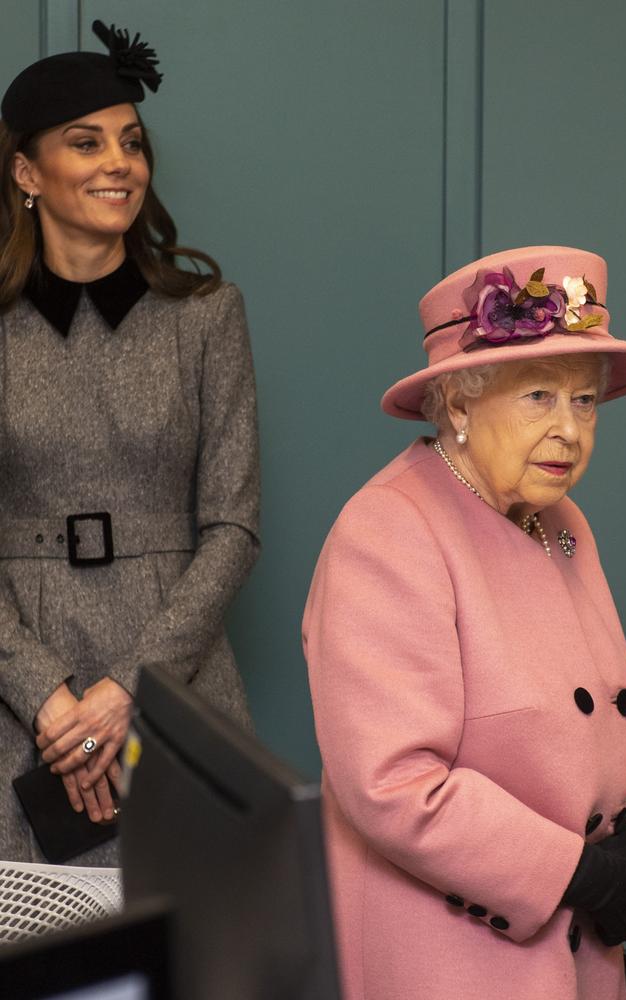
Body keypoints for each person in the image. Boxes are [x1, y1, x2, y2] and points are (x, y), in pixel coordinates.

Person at [303, 246, 626, 1000]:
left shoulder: (561, 520)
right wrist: (579, 872)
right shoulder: (388, 531)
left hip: (582, 950)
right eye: (537, 397)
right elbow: (392, 783)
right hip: (454, 958)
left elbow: (605, 716)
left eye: (583, 401)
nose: (568, 430)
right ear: (460, 403)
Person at [0, 21, 259, 865]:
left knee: (200, 952)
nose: (120, 163)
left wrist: (127, 691)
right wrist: (44, 698)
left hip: (175, 676)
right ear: (27, 172)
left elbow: (234, 527)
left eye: (132, 143)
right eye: (87, 142)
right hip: (19, 695)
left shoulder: (207, 316)